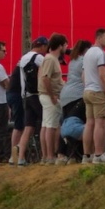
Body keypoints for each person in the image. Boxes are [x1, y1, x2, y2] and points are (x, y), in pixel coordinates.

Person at [83, 28, 105, 164]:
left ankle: (86, 156)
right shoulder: (101, 54)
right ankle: (99, 154)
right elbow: (102, 74)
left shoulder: (87, 53)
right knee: (100, 123)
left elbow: (83, 75)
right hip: (97, 91)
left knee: (89, 123)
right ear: (99, 38)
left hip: (87, 91)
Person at [16, 36, 49, 166]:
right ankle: (45, 155)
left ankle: (21, 158)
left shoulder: (24, 58)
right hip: (36, 95)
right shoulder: (39, 58)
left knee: (28, 127)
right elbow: (47, 74)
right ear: (42, 46)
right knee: (45, 123)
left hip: (25, 95)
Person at [58, 39, 91, 161]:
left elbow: (70, 50)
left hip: (65, 95)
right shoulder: (84, 60)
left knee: (66, 125)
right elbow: (85, 77)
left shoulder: (73, 60)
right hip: (77, 95)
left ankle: (62, 154)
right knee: (80, 124)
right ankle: (77, 155)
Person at [38, 34, 68, 164]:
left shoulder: (51, 59)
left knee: (45, 125)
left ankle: (45, 156)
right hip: (49, 96)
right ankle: (50, 156)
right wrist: (52, 96)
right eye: (65, 45)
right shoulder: (51, 59)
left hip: (46, 95)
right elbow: (45, 78)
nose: (67, 48)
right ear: (60, 46)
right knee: (51, 126)